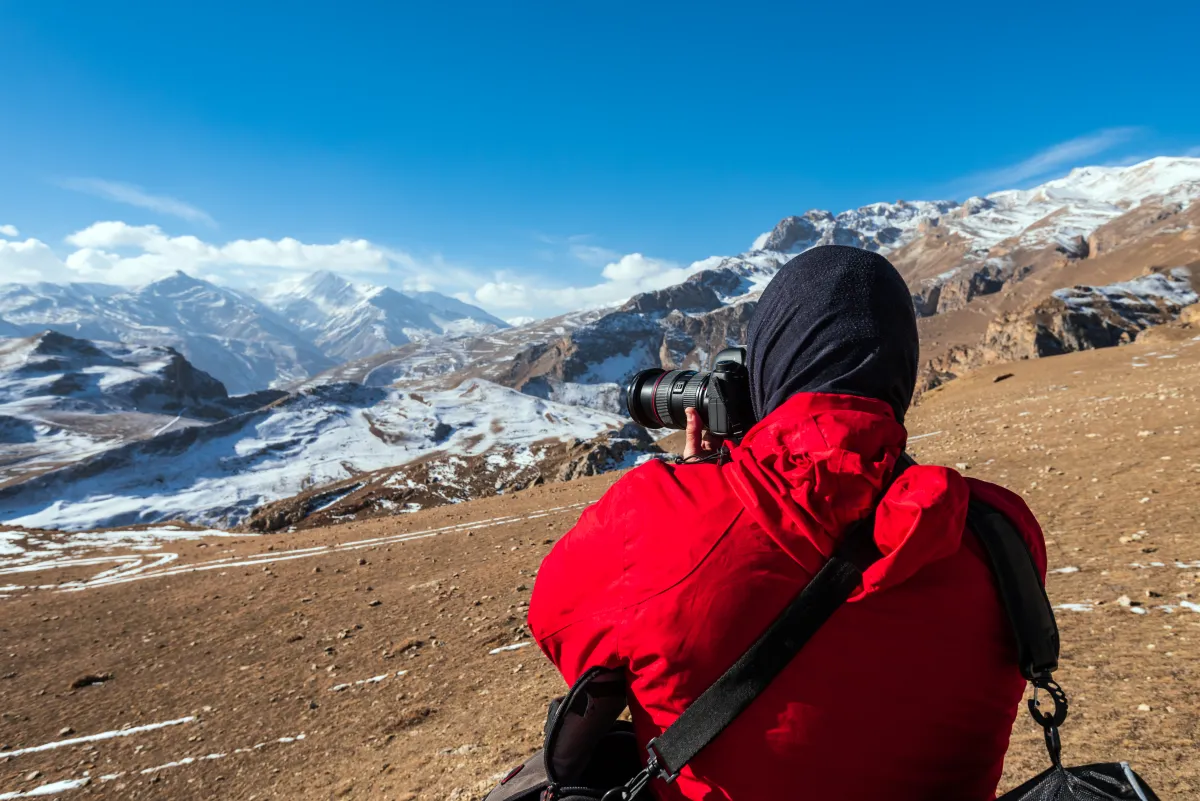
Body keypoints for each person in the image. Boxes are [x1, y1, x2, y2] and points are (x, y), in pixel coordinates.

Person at [528, 245, 1047, 801]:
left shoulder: (653, 515)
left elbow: (553, 621)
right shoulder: (1002, 531)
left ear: (772, 359)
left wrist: (698, 485)